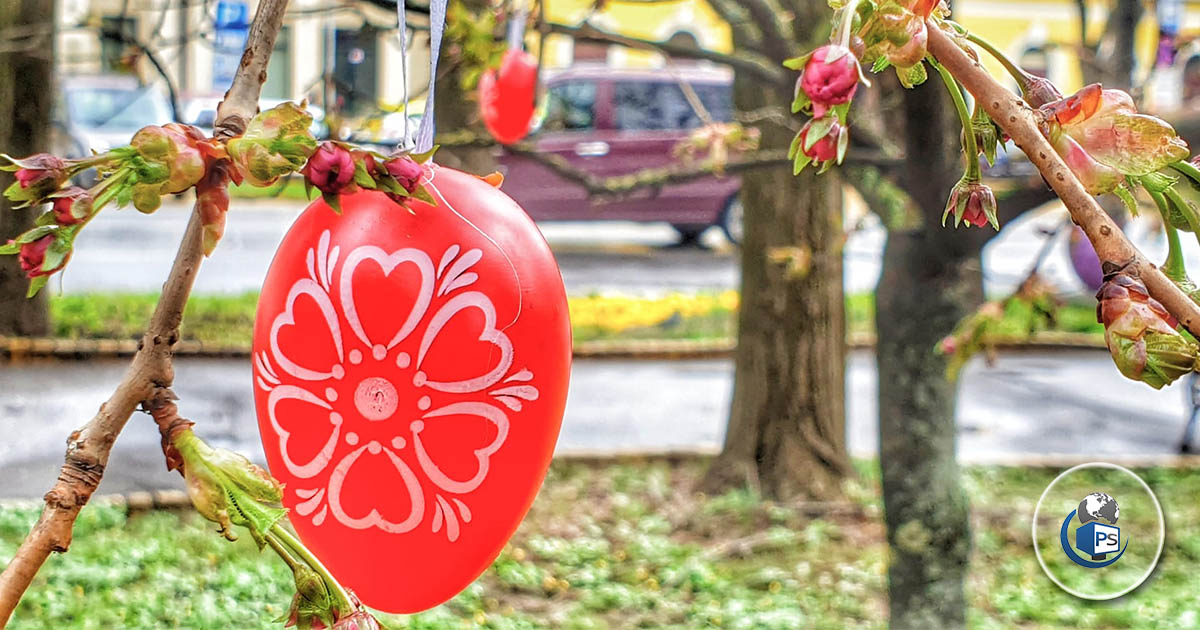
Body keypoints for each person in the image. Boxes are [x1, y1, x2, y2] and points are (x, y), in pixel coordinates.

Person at [1181, 370, 1200, 452]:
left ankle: (1187, 442)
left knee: (1193, 413)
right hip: (1195, 381)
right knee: (1193, 413)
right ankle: (1186, 442)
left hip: (1194, 380)